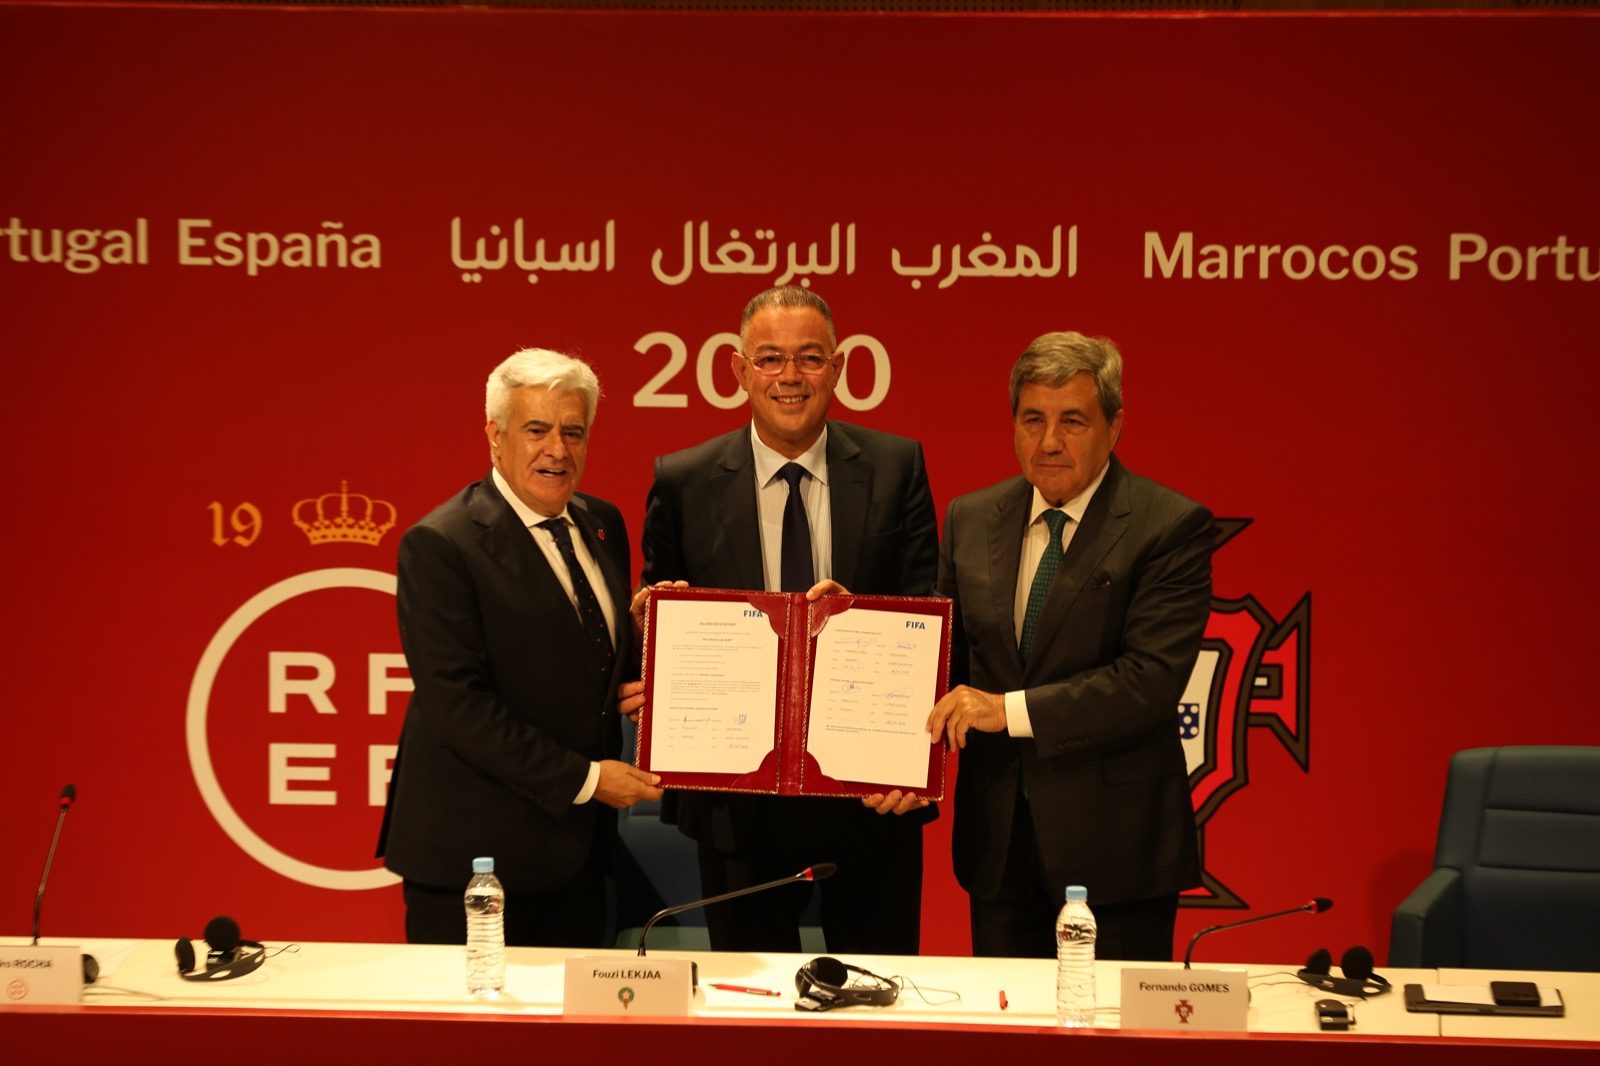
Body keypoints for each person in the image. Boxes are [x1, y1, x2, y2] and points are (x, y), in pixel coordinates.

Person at [623, 285, 939, 954]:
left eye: (809, 357)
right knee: (749, 1001)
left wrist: (860, 622)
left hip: (869, 796)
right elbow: (656, 622)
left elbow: (928, 619)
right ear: (739, 370)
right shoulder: (682, 480)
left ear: (838, 368)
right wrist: (653, 634)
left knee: (880, 995)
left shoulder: (896, 466)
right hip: (737, 804)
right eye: (769, 358)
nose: (790, 376)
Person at [926, 331, 1211, 960]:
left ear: (1115, 427)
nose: (1049, 441)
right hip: (999, 853)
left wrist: (1006, 710)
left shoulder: (1169, 526)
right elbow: (942, 665)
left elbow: (1149, 680)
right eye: (1033, 419)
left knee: (1113, 1026)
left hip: (1116, 856)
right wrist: (861, 626)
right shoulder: (970, 519)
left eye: (1072, 421)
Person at [377, 348, 663, 948]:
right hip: (475, 862)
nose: (557, 449)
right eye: (536, 430)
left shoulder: (602, 523)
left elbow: (582, 660)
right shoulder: (441, 544)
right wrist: (587, 780)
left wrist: (652, 640)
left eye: (573, 432)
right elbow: (459, 708)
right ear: (495, 435)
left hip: (579, 857)